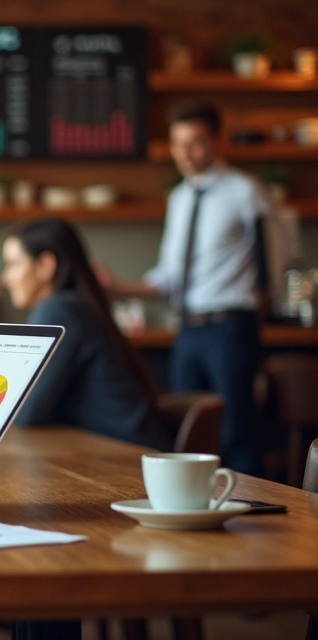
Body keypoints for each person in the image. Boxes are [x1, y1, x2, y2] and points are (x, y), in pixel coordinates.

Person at [98, 102, 276, 475]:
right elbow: (169, 277)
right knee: (189, 432)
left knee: (236, 432)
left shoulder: (246, 191)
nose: (185, 154)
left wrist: (265, 295)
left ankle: (257, 523)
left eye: (194, 143)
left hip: (230, 326)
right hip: (188, 329)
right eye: (178, 144)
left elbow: (278, 254)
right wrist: (118, 289)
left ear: (216, 141)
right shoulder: (180, 198)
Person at [2, 217, 170, 450]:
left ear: (45, 266)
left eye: (13, 264)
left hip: (127, 464)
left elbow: (26, 412)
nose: (5, 278)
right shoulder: (76, 306)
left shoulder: (59, 310)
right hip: (126, 454)